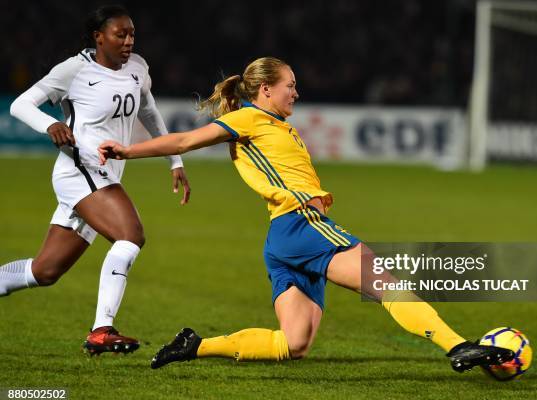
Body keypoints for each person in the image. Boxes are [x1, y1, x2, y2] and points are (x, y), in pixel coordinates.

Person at [98, 57, 513, 371]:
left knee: (293, 344)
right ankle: (458, 346)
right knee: (384, 282)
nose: (296, 93)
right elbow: (187, 139)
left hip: (283, 240)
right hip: (304, 225)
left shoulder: (279, 125)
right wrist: (128, 150)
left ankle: (195, 345)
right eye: (289, 86)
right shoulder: (249, 118)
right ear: (265, 90)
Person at [0, 5, 190, 355]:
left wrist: (174, 160)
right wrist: (50, 124)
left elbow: (148, 111)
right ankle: (102, 330)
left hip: (103, 177)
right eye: (121, 34)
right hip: (79, 170)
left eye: (132, 34)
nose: (129, 41)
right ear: (98, 37)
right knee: (131, 234)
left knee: (45, 271)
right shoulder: (75, 70)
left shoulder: (138, 68)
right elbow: (21, 105)